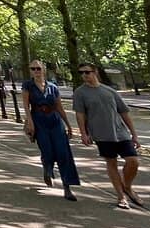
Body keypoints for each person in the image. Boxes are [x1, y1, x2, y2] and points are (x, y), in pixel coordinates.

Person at [73, 62, 143, 209]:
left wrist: (134, 134)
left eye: (87, 72)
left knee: (133, 161)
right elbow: (80, 114)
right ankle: (121, 196)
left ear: (95, 72)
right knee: (111, 163)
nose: (84, 75)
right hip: (101, 134)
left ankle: (127, 186)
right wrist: (83, 133)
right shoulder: (80, 93)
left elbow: (124, 112)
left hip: (121, 132)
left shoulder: (109, 91)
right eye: (81, 73)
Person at [22, 60, 79, 201]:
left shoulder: (53, 87)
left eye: (38, 68)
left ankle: (67, 187)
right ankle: (47, 168)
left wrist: (68, 125)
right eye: (33, 68)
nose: (36, 71)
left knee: (63, 152)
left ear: (44, 70)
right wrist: (30, 123)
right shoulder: (27, 85)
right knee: (47, 151)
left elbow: (59, 107)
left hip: (55, 120)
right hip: (39, 120)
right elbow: (25, 106)